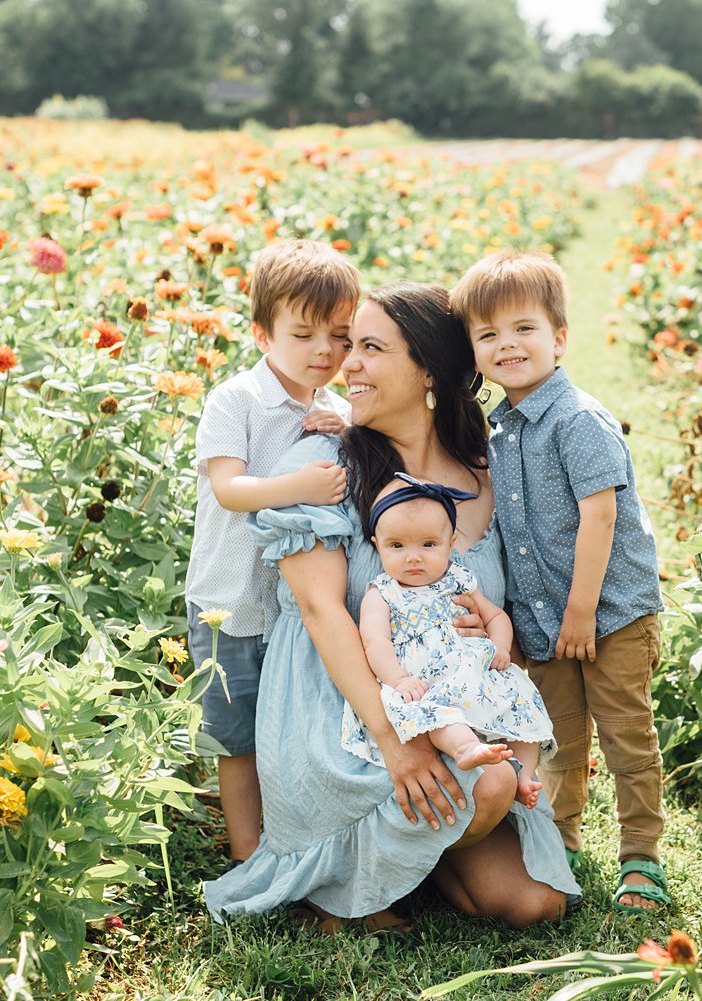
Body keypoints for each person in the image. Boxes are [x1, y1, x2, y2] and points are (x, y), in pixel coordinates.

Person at [203, 282, 577, 931]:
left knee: (532, 903)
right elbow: (323, 615)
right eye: (353, 346)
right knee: (483, 787)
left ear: (429, 370)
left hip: (461, 719)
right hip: (343, 716)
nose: (348, 364)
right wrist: (394, 742)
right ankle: (351, 862)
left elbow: (505, 605)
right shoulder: (324, 466)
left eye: (371, 348)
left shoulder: (484, 468)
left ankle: (406, 855)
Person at [449, 250, 669, 913]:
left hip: (611, 611)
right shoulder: (502, 426)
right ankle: (562, 838)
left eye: (523, 329)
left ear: (560, 338)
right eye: (488, 335)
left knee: (627, 734)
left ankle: (642, 855)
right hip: (548, 620)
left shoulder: (577, 418)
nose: (506, 345)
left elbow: (599, 516)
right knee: (560, 737)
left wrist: (581, 609)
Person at [183, 239, 357, 867]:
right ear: (262, 334)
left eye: (339, 337)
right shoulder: (238, 401)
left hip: (294, 610)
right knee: (237, 737)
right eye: (303, 334)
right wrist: (300, 486)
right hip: (229, 603)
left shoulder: (337, 410)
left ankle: (292, 841)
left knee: (287, 728)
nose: (323, 352)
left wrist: (349, 435)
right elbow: (230, 489)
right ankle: (247, 853)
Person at [342, 473, 554, 810]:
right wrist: (399, 679)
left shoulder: (459, 580)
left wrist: (500, 646)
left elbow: (496, 616)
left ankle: (523, 774)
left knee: (521, 704)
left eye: (428, 545)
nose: (413, 557)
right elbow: (375, 642)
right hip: (426, 682)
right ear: (377, 544)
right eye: (397, 546)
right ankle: (466, 748)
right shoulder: (382, 594)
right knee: (439, 714)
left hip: (476, 673)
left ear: (451, 541)